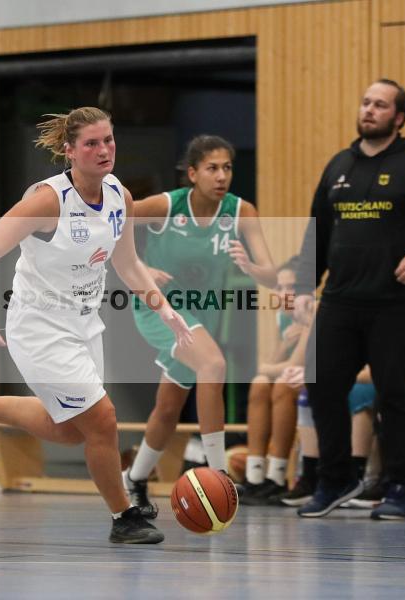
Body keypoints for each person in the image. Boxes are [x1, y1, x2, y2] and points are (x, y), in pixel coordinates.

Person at [0, 107, 192, 544]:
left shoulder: (119, 197)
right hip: (38, 327)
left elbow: (127, 263)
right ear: (69, 151)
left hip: (84, 324)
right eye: (91, 143)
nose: (103, 150)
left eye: (108, 140)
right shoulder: (48, 200)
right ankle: (123, 517)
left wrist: (165, 309)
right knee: (104, 421)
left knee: (74, 432)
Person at [290, 79, 405, 520]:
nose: (370, 110)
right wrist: (301, 287)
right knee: (321, 384)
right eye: (366, 102)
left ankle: (402, 488)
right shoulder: (338, 166)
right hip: (341, 301)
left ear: (399, 117)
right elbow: (319, 233)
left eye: (381, 105)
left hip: (397, 304)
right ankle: (335, 479)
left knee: (395, 396)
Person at [121, 135, 278, 516]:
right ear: (192, 173)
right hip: (158, 310)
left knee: (168, 407)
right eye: (212, 168)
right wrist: (139, 268)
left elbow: (272, 275)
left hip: (201, 313)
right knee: (214, 364)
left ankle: (136, 479)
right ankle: (219, 473)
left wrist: (252, 268)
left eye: (227, 168)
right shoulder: (166, 206)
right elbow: (114, 220)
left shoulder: (241, 211)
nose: (221, 175)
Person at [242, 265, 311, 505]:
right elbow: (266, 366)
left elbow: (294, 364)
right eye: (279, 288)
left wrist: (273, 365)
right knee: (260, 384)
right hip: (294, 377)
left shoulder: (312, 313)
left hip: (320, 379)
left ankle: (277, 476)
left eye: (291, 287)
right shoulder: (282, 317)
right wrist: (283, 344)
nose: (284, 293)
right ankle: (255, 475)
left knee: (282, 384)